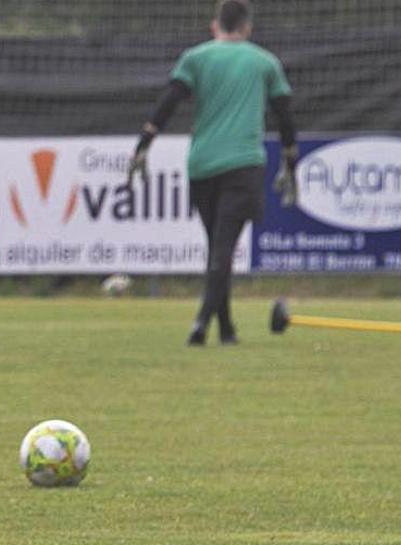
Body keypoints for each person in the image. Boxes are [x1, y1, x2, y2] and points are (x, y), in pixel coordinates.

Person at [128, 0, 298, 346]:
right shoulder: (265, 62)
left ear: (215, 25)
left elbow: (169, 101)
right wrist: (289, 158)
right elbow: (285, 115)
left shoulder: (195, 58)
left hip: (202, 164)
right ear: (247, 27)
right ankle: (202, 322)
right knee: (222, 249)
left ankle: (226, 329)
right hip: (244, 164)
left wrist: (144, 143)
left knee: (217, 248)